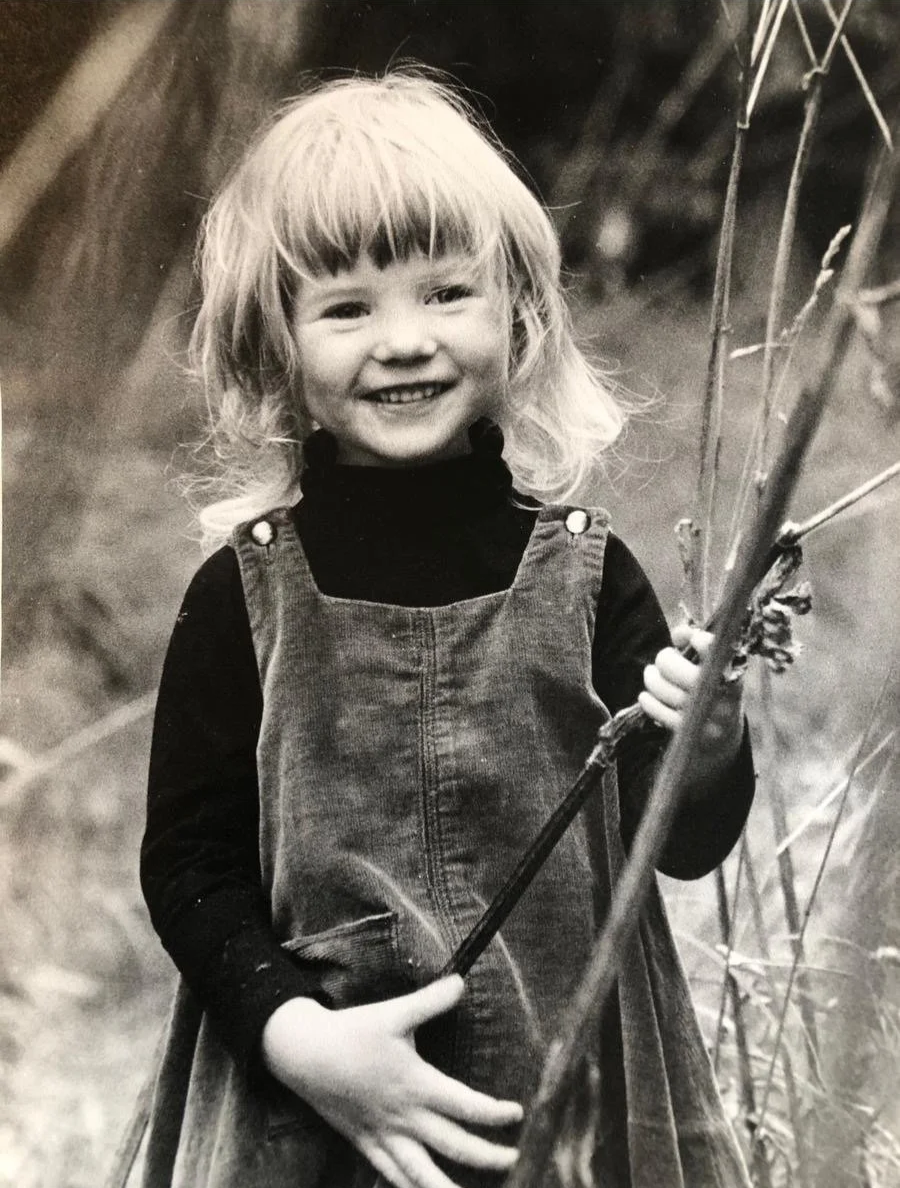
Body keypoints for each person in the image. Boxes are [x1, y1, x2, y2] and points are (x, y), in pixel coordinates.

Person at [141, 72, 755, 1188]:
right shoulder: (238, 599)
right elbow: (190, 865)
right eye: (347, 308)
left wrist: (706, 747)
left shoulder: (590, 576)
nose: (404, 340)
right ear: (276, 345)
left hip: (567, 1107)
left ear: (515, 312)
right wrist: (296, 1039)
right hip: (313, 1115)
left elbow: (681, 844)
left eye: (445, 292)